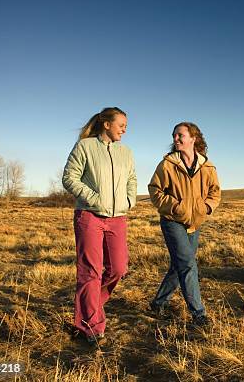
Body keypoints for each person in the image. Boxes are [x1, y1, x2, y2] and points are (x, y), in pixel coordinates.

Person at [62, 107, 137, 344]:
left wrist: (129, 200)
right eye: (121, 124)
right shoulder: (85, 146)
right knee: (90, 271)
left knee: (118, 268)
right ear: (106, 124)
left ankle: (91, 304)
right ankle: (91, 325)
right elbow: (69, 177)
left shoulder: (126, 152)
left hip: (118, 218)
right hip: (89, 216)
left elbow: (132, 179)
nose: (125, 129)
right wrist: (94, 199)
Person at [148, 121, 221, 326]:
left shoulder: (208, 166)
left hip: (195, 223)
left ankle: (157, 303)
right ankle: (199, 314)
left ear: (193, 138)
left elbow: (215, 193)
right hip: (172, 220)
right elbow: (155, 190)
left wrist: (205, 208)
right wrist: (176, 207)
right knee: (188, 264)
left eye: (180, 135)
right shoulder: (168, 164)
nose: (176, 139)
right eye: (174, 135)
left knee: (178, 265)